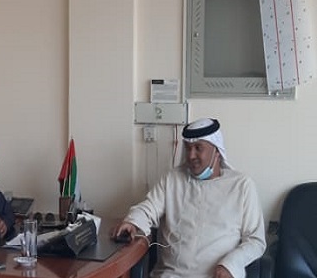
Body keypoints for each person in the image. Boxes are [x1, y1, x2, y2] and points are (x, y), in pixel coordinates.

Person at [111, 118, 265, 278]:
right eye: (188, 148)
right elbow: (149, 207)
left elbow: (255, 240)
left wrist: (230, 265)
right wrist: (132, 222)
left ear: (217, 151)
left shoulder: (241, 186)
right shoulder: (172, 179)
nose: (191, 155)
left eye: (198, 148)